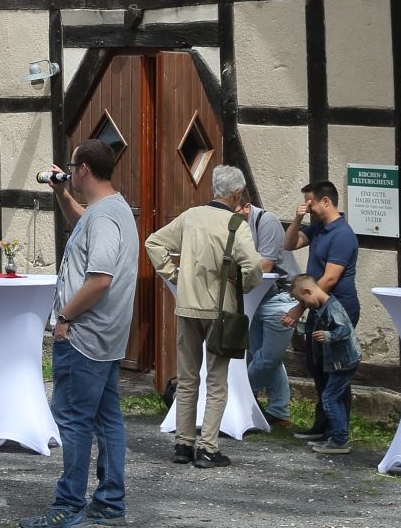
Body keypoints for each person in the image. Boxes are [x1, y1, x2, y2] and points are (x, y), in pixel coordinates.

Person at [21, 139, 138, 528]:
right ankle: (110, 502)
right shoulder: (112, 209)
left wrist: (65, 317)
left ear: (84, 168)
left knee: (73, 421)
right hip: (107, 337)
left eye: (72, 168)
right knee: (107, 420)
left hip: (84, 336)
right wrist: (61, 193)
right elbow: (83, 224)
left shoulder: (103, 218)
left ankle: (68, 506)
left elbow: (100, 279)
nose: (69, 173)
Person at [143, 166, 263, 468]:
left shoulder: (191, 216)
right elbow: (254, 266)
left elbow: (153, 242)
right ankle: (208, 448)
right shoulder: (237, 224)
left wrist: (172, 274)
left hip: (187, 306)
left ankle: (183, 444)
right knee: (217, 381)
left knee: (187, 379)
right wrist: (244, 286)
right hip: (221, 311)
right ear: (237, 193)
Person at [282, 180, 359, 445]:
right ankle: (323, 425)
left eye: (310, 202)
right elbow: (289, 244)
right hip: (319, 308)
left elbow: (329, 279)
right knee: (317, 368)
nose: (308, 207)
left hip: (339, 311)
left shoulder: (342, 235)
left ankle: (338, 433)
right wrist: (297, 218)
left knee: (336, 371)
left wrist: (299, 306)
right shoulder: (318, 228)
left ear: (326, 201)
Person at [242, 183, 298, 428]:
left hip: (280, 298)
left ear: (246, 207)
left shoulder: (267, 221)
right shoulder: (236, 223)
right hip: (256, 298)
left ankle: (240, 395)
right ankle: (279, 411)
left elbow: (265, 265)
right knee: (262, 356)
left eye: (233, 211)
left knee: (267, 359)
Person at [290, 273, 360, 454]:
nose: (304, 305)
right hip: (338, 361)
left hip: (344, 361)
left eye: (302, 301)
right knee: (331, 397)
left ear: (308, 291)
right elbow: (315, 329)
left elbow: (344, 329)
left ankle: (339, 440)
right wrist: (297, 326)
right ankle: (337, 437)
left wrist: (328, 335)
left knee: (330, 398)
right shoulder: (322, 308)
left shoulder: (332, 308)